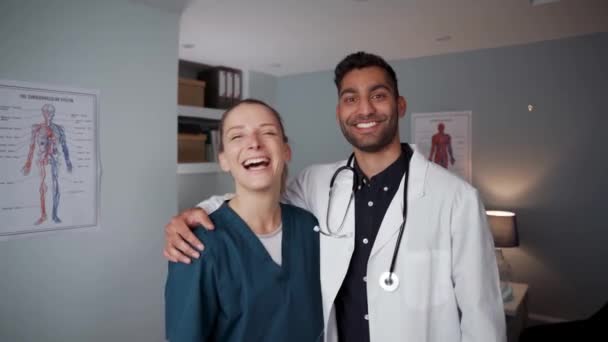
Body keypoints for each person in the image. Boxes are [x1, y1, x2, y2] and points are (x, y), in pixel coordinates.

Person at [164, 52, 506, 342]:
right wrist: (196, 214)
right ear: (340, 113)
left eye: (379, 95)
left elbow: (482, 318)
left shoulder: (456, 198)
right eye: (350, 98)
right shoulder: (317, 184)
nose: (365, 109)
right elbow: (256, 197)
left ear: (400, 105)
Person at [164, 99, 323, 342]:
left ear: (286, 151)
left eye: (268, 132)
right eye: (237, 137)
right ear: (224, 159)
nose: (254, 144)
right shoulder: (195, 245)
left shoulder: (311, 229)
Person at [22, 104, 72, 224]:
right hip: (42, 156)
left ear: (54, 114)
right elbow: (32, 146)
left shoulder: (59, 129)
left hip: (55, 156)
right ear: (43, 113)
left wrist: (68, 161)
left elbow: (64, 146)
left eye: (51, 112)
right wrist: (28, 163)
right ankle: (43, 215)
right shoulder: (37, 128)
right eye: (46, 112)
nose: (49, 115)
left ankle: (54, 214)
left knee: (56, 185)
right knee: (42, 185)